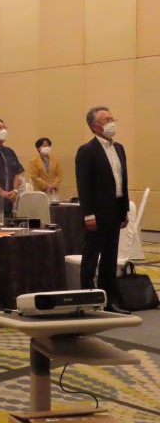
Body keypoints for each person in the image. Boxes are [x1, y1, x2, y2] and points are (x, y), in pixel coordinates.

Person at [76, 106, 130, 315]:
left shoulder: (119, 148)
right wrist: (88, 214)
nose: (112, 123)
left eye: (112, 118)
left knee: (110, 257)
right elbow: (84, 186)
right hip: (96, 213)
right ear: (95, 126)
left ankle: (108, 300)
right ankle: (87, 299)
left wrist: (124, 210)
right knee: (91, 257)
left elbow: (122, 182)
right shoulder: (87, 151)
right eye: (107, 120)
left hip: (115, 210)